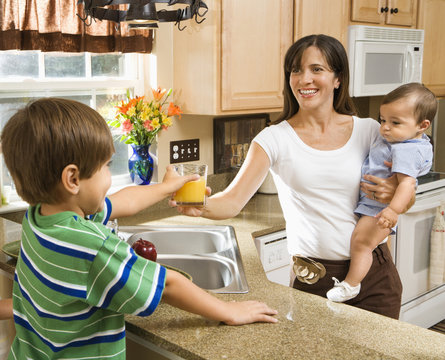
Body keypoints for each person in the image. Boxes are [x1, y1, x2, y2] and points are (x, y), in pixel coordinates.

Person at [0, 98, 278, 359]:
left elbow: (122, 201)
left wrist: (165, 188)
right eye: (106, 167)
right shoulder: (94, 247)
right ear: (73, 179)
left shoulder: (38, 218)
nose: (109, 177)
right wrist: (227, 311)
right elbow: (166, 284)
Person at [171, 34, 406, 319]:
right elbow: (232, 201)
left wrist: (393, 192)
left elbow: (406, 186)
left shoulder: (369, 131)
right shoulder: (274, 139)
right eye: (296, 70)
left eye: (316, 69)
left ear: (338, 79)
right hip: (315, 278)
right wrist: (200, 206)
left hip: (376, 276)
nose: (304, 79)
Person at [327, 83, 436, 302]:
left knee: (362, 243)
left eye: (395, 122)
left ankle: (351, 285)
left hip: (378, 208)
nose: (385, 127)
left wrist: (393, 210)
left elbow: (406, 184)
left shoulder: (407, 149)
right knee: (363, 242)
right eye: (383, 120)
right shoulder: (401, 139)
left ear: (422, 125)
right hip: (374, 206)